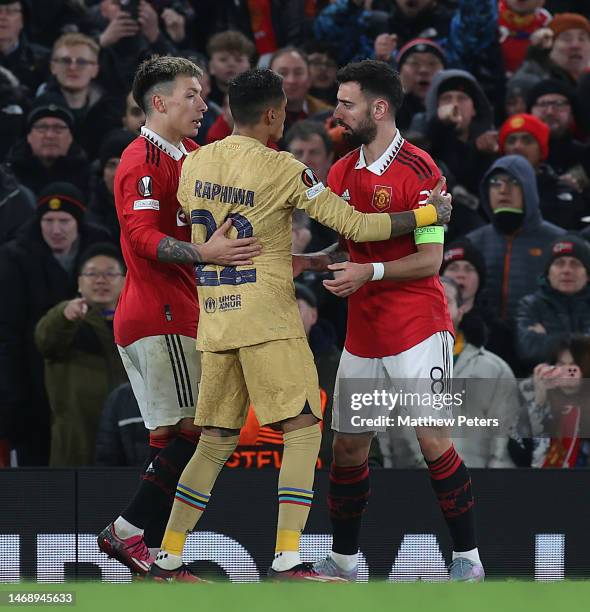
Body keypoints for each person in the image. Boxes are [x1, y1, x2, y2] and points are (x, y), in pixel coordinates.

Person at [147, 66, 452, 582]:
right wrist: (428, 217)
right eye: (285, 111)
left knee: (216, 439)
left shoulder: (196, 163)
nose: (287, 119)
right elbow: (356, 225)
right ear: (271, 114)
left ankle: (167, 557)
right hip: (267, 319)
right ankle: (290, 558)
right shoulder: (286, 168)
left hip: (216, 317)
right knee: (305, 429)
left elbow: (214, 229)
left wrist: (300, 259)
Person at [301, 60, 482, 583]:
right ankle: (343, 561)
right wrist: (311, 262)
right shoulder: (340, 171)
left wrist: (369, 271)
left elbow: (430, 261)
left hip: (417, 326)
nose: (335, 113)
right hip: (365, 331)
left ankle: (469, 561)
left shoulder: (422, 171)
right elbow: (348, 243)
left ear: (378, 109)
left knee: (432, 439)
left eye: (345, 103)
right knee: (350, 448)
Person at [96, 55, 262, 577]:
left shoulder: (195, 155)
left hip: (182, 313)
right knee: (202, 429)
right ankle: (126, 534)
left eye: (203, 92)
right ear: (160, 102)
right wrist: (207, 254)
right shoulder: (140, 160)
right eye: (192, 93)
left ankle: (160, 560)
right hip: (159, 313)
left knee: (175, 443)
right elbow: (143, 240)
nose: (203, 103)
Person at [0, 182, 111, 466]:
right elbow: (8, 334)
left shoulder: (100, 253)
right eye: (48, 221)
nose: (56, 229)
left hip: (88, 382)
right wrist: (13, 398)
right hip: (33, 380)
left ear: (78, 221)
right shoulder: (15, 258)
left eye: (64, 221)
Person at [34, 243, 128, 467]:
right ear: (79, 282)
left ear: (125, 280)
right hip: (77, 442)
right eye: (92, 273)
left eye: (110, 273)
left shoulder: (137, 322)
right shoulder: (67, 320)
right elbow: (45, 340)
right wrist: (64, 315)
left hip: (128, 437)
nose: (101, 280)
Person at [509, 335, 590, 468]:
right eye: (561, 364)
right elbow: (519, 453)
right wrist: (538, 404)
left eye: (574, 366)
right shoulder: (534, 396)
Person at [516, 234, 590, 369]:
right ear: (548, 273)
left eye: (575, 264)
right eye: (559, 263)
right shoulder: (531, 305)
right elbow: (528, 350)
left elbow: (540, 346)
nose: (567, 270)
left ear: (588, 275)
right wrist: (582, 341)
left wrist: (549, 340)